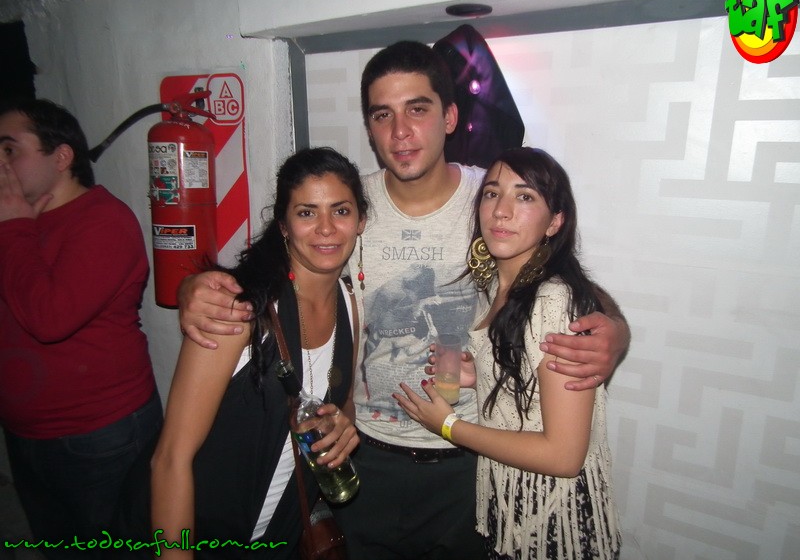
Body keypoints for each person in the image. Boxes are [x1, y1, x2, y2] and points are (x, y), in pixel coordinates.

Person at [178, 42, 630, 559]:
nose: (400, 132)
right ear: (369, 127)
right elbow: (277, 260)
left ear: (450, 117)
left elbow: (563, 280)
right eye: (382, 115)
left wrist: (615, 332)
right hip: (367, 460)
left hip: (467, 465)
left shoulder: (493, 200)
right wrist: (202, 286)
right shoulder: (348, 207)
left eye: (417, 109)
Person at [396, 147, 622, 559]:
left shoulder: (554, 301)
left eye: (525, 196)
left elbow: (564, 455)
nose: (501, 211)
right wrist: (481, 372)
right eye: (492, 193)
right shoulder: (495, 288)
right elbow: (529, 383)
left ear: (555, 222)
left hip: (554, 518)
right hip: (509, 505)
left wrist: (447, 426)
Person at [146, 147, 364, 559]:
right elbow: (170, 459)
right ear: (283, 225)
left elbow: (344, 401)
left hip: (279, 538)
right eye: (306, 212)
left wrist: (342, 425)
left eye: (340, 211)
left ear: (360, 221)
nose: (326, 228)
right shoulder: (237, 311)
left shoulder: (351, 305)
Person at [0, 99, 161, 558]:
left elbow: (49, 319)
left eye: (10, 150)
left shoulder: (102, 220)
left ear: (62, 156)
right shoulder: (16, 225)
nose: (1, 164)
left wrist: (12, 231)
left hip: (98, 437)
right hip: (26, 432)